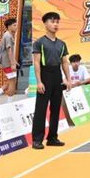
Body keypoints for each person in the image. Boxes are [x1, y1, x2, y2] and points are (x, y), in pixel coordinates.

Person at [31, 12, 72, 150]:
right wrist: (39, 81)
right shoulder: (39, 43)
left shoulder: (62, 44)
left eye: (57, 22)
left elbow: (64, 62)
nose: (55, 24)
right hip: (45, 75)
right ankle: (37, 140)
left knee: (55, 108)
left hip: (57, 76)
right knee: (41, 109)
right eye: (52, 21)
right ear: (45, 23)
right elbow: (36, 63)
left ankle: (52, 138)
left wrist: (68, 79)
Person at [0, 18, 18, 105]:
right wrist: (12, 63)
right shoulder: (8, 36)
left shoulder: (8, 35)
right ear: (9, 26)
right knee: (12, 83)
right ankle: (9, 104)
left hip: (8, 63)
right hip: (8, 63)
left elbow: (9, 51)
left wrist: (14, 61)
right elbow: (9, 50)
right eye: (14, 25)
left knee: (11, 81)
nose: (16, 27)